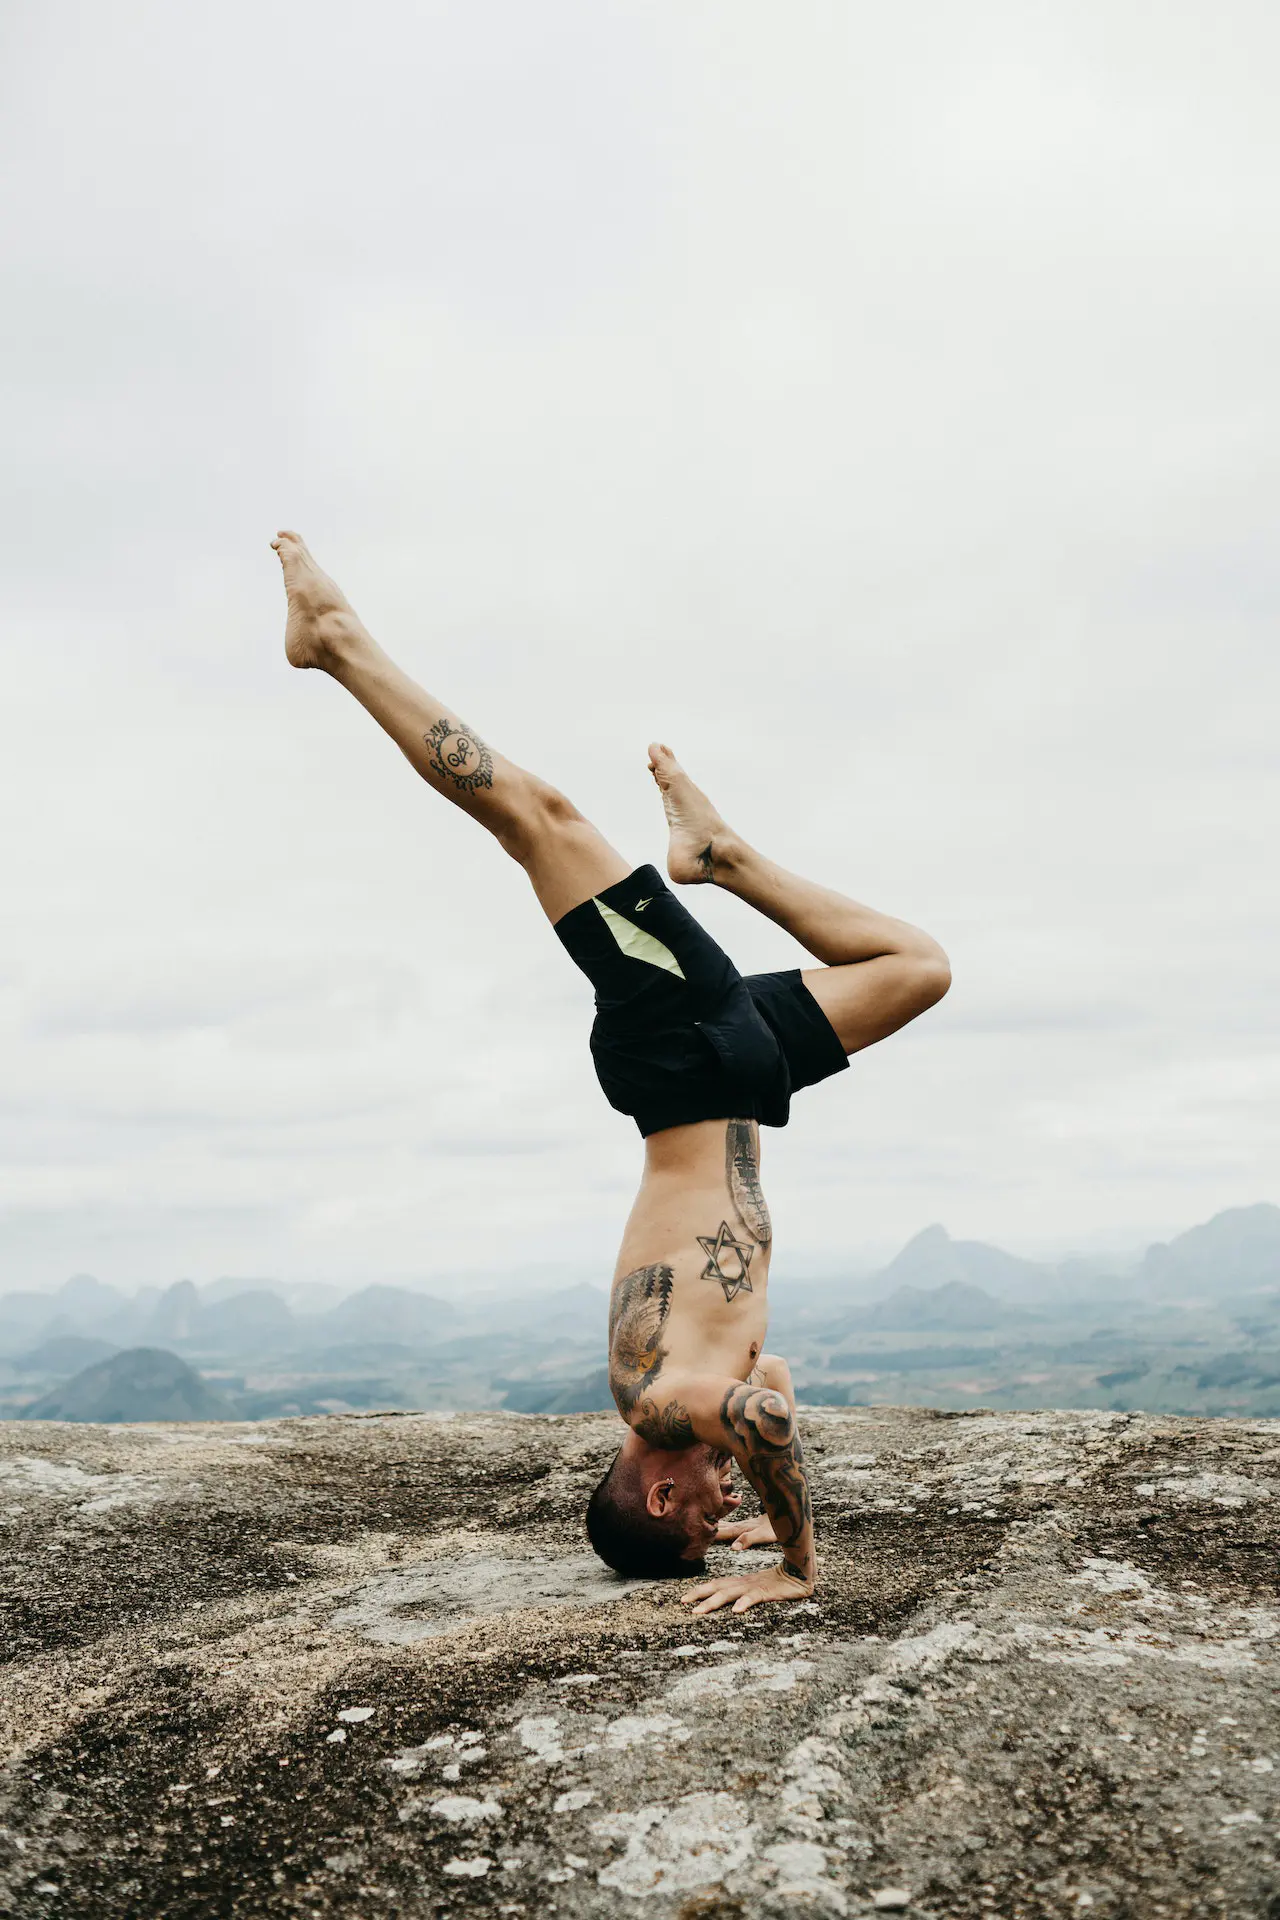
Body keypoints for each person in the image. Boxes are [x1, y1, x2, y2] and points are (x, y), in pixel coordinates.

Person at [273, 530, 950, 1615]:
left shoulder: (659, 1400)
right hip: (733, 1074)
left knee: (538, 819)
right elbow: (768, 1390)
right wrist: (756, 1507)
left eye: (695, 1518)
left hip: (680, 1053)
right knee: (914, 969)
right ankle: (718, 859)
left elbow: (760, 1425)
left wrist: (791, 1562)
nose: (715, 1507)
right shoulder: (681, 1398)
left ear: (660, 1486)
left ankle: (339, 644)